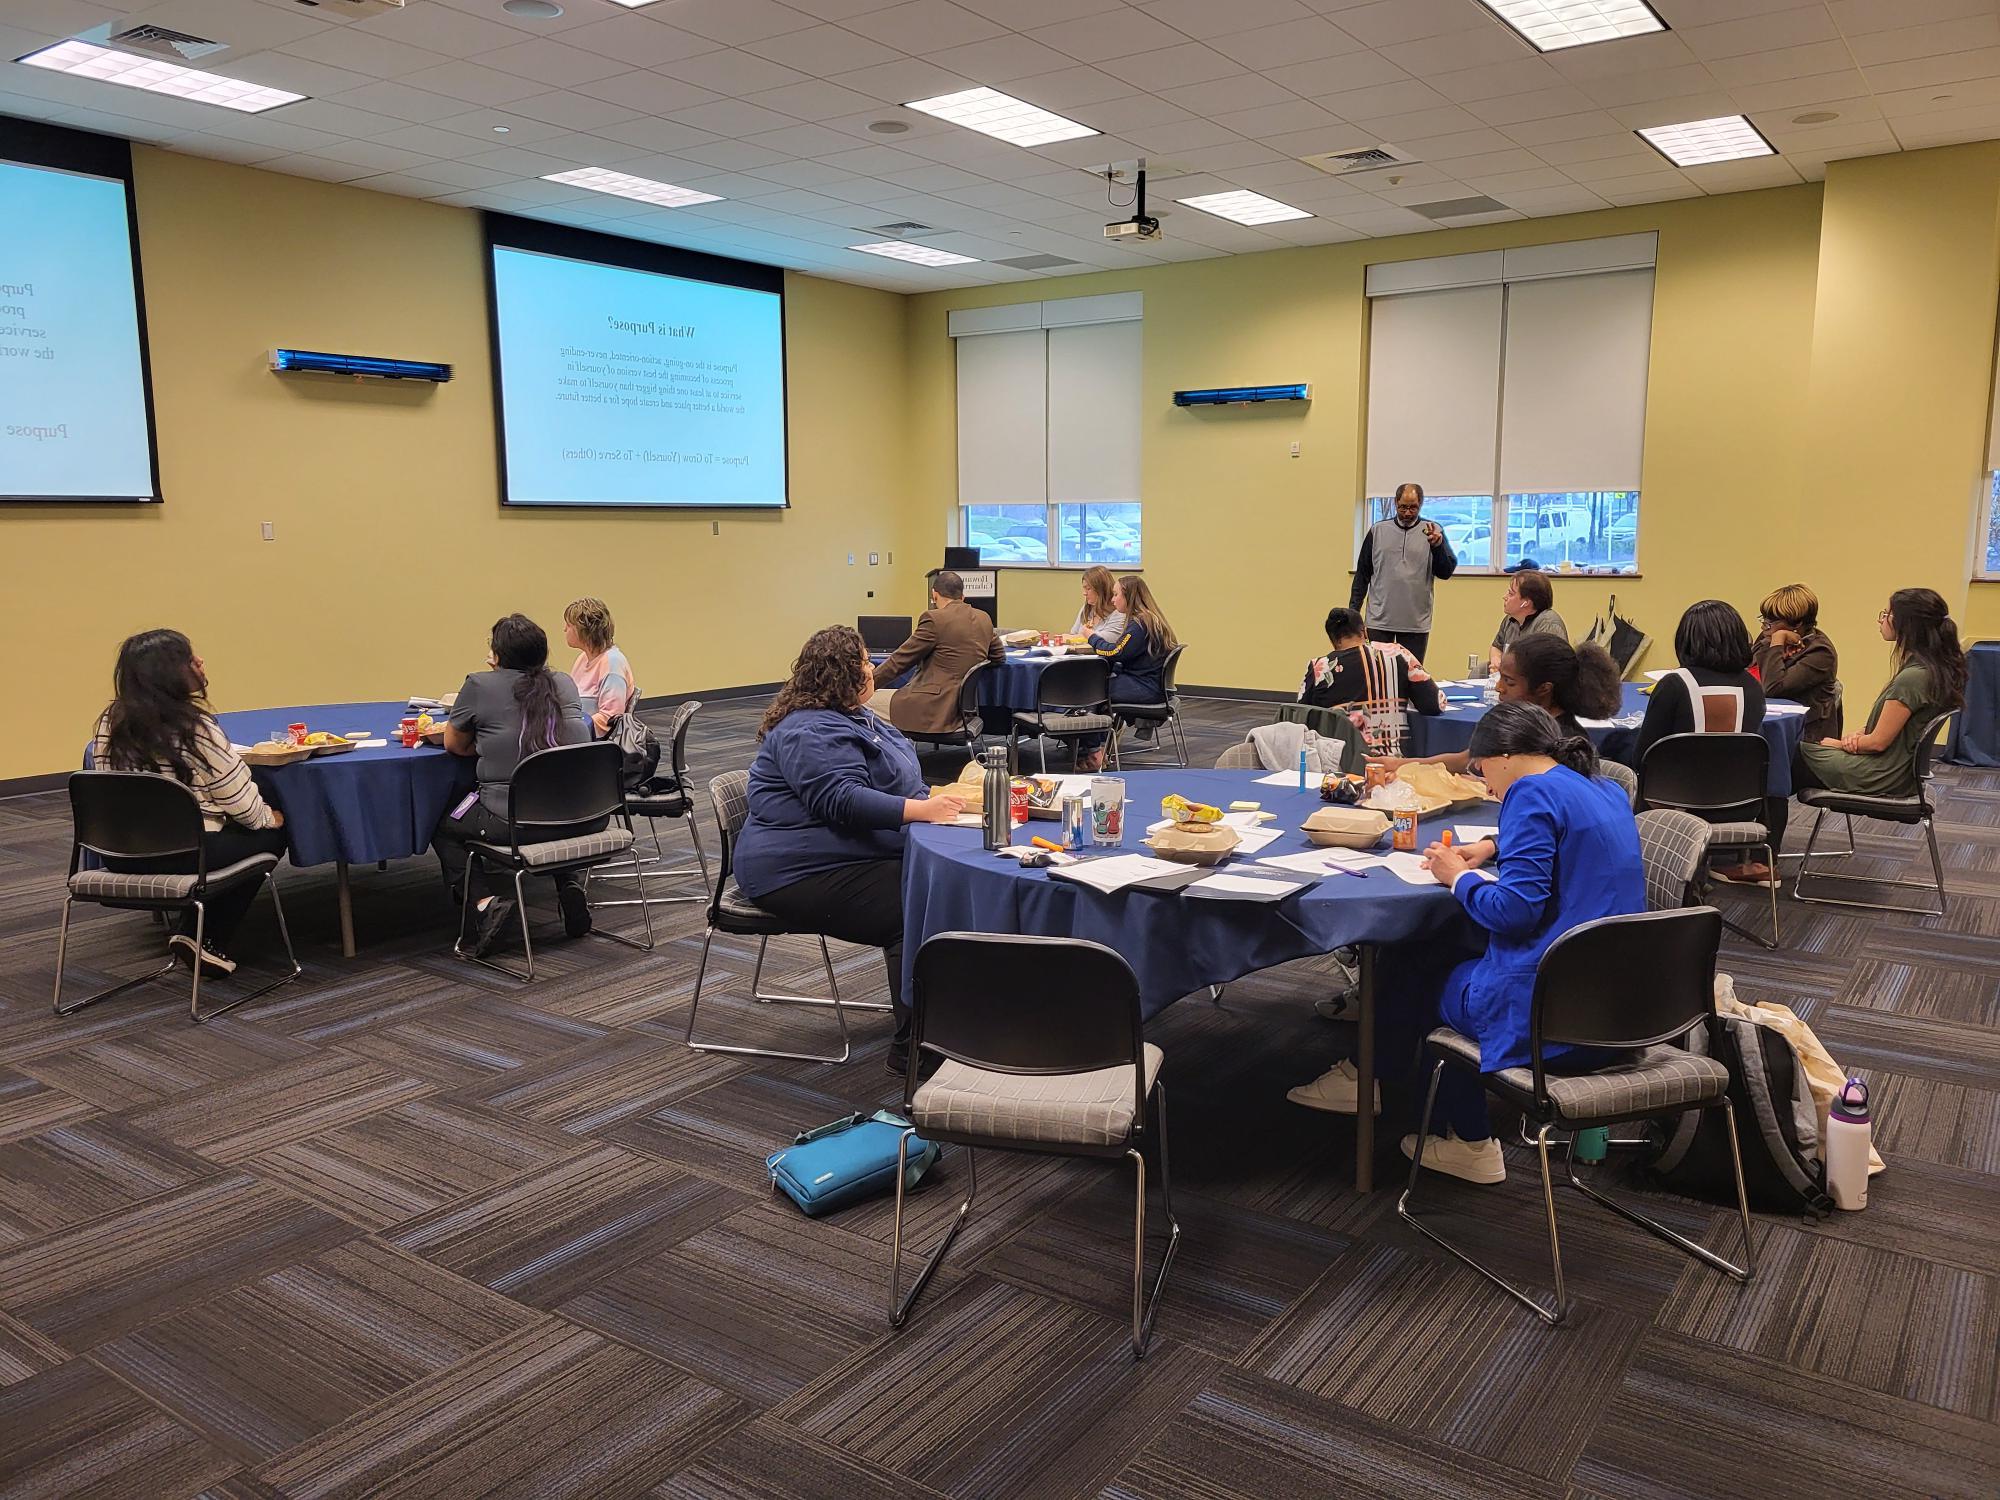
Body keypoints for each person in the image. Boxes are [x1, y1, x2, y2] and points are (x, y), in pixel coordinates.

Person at [1288, 703, 1644, 1184]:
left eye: (1481, 772)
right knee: (1443, 955)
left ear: (1501, 757)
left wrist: (1458, 876)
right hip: (1623, 1005)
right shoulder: (1605, 788)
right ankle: (1371, 1080)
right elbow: (1568, 842)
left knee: (1424, 966)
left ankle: (1466, 1139)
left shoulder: (1530, 793)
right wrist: (1497, 846)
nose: (1487, 786)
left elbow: (1514, 912)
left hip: (1554, 1016)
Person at [734, 625, 965, 1075]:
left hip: (845, 853)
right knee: (914, 908)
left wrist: (930, 799)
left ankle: (950, 1018)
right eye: (862, 662)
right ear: (837, 674)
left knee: (940, 885)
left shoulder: (855, 716)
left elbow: (896, 780)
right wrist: (922, 811)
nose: (871, 668)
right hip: (794, 870)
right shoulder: (808, 729)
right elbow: (841, 799)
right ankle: (915, 1049)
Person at [90, 629, 287, 976]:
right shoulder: (195, 729)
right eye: (189, 659)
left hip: (121, 852)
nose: (199, 663)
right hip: (186, 854)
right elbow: (240, 802)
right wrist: (270, 818)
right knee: (269, 834)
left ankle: (191, 927)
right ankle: (206, 935)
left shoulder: (110, 723)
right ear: (169, 673)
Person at [437, 614, 595, 954]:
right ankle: (568, 881)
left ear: (498, 655)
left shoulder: (480, 685)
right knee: (549, 800)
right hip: (581, 814)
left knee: (445, 826)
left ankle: (485, 903)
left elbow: (455, 745)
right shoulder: (564, 683)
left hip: (512, 819)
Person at [1780, 587, 1967, 849]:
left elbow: (1877, 743)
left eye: (1887, 614)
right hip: (1893, 769)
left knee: (1781, 758)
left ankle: (1759, 855)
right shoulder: (1928, 669)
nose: (1882, 619)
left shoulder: (1913, 678)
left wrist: (1839, 743)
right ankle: (1760, 854)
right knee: (1789, 759)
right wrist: (1858, 735)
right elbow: (1883, 730)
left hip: (1881, 774)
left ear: (1906, 625)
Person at [1373, 634, 1622, 776]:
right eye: (1500, 677)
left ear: (1544, 689)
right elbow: (1466, 760)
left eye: (1509, 682)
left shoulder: (1566, 746)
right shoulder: (1520, 726)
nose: (1498, 687)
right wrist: (1398, 765)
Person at [1626, 599, 1764, 769]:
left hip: (1670, 791)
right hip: (1741, 792)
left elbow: (1643, 756)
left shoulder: (1673, 684)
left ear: (1685, 641)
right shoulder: (1753, 686)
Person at [870, 570, 1005, 737]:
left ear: (934, 594)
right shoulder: (984, 618)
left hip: (931, 709)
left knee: (860, 703)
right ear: (962, 596)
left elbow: (900, 661)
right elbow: (999, 656)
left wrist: (863, 686)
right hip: (963, 710)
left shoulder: (934, 619)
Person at [1076, 575, 1177, 772]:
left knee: (1086, 692)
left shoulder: (1139, 625)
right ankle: (1098, 747)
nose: (1113, 600)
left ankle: (1095, 751)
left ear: (1129, 597)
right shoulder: (1147, 619)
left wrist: (1091, 637)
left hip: (1145, 688)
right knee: (1098, 687)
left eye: (1116, 595)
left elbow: (1115, 652)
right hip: (1151, 684)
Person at [1349, 482, 1457, 662]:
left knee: (1412, 679)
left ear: (1421, 504)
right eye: (1403, 507)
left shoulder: (1433, 531)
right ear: (1395, 503)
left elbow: (1445, 572)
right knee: (1379, 675)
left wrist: (1437, 547)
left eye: (1413, 507)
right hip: (1379, 621)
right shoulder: (1377, 531)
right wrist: (1353, 612)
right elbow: (1362, 575)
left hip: (1415, 623)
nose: (1407, 513)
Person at [1299, 606, 1443, 717]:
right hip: (1389, 755)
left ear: (1333, 640)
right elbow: (1433, 704)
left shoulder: (1319, 667)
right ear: (1364, 632)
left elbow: (1300, 717)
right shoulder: (1398, 653)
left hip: (1336, 753)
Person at [1750, 584, 1839, 743]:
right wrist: (1774, 648)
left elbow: (1772, 688)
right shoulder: (1766, 638)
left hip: (1804, 737)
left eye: (1771, 621)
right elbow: (1744, 668)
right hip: (1765, 725)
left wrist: (1776, 644)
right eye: (1764, 618)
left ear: (1797, 624)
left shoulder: (1821, 653)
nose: (1764, 626)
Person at [564, 596, 636, 737]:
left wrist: (571, 733)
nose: (564, 629)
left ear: (583, 630)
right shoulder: (583, 658)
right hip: (580, 733)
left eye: (569, 625)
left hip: (595, 744)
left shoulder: (612, 664)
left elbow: (610, 718)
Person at [1486, 569, 1567, 674]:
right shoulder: (1510, 620)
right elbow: (1497, 646)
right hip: (1514, 681)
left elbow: (1547, 668)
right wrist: (1496, 661)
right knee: (1479, 670)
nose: (1505, 597)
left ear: (1526, 602)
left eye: (1511, 594)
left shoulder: (1548, 625)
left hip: (1537, 685)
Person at [1070, 564, 1124, 641]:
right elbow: (1073, 633)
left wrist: (1074, 638)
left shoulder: (1118, 612)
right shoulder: (1086, 608)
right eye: (1084, 588)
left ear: (1101, 589)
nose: (1084, 593)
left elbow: (1108, 640)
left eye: (1088, 589)